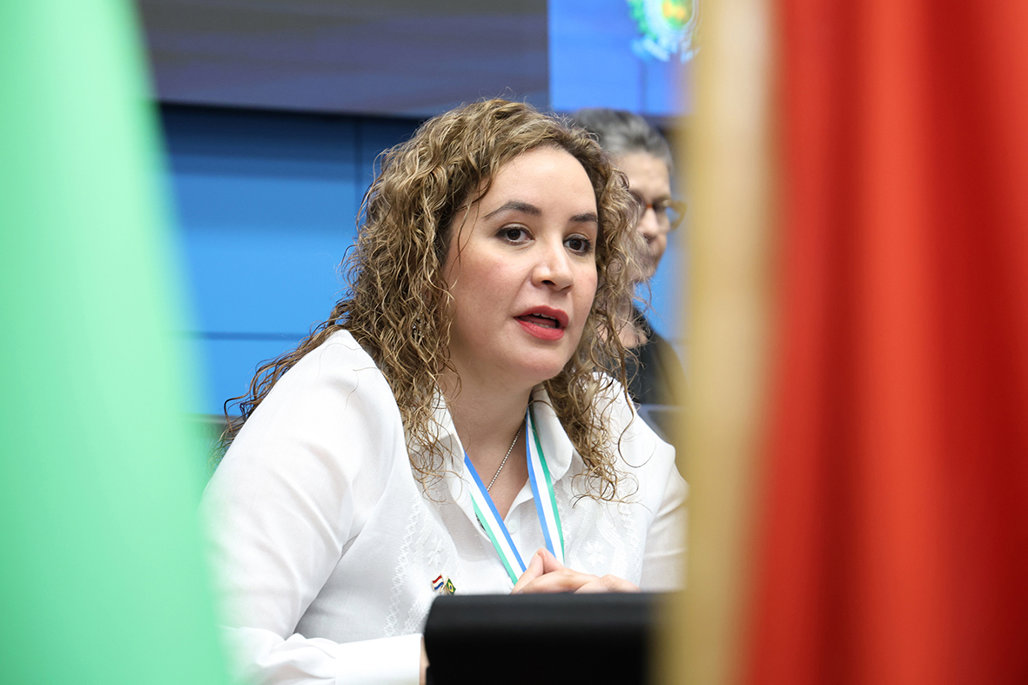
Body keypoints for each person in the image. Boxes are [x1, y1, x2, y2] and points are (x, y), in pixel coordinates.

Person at [202, 99, 687, 685]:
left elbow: (720, 647)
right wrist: (466, 657)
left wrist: (641, 646)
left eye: (580, 243)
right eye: (515, 233)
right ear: (428, 258)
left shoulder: (614, 424)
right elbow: (197, 658)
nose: (558, 271)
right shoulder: (342, 403)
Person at [571, 108, 688, 410]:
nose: (651, 228)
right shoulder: (554, 344)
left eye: (660, 207)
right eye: (631, 202)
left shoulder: (661, 354)